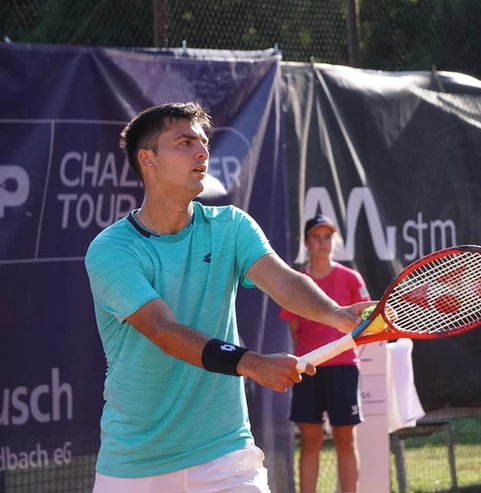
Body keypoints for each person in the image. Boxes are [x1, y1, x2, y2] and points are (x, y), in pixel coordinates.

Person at [84, 102, 372, 493]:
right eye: (184, 143)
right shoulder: (112, 249)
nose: (202, 152)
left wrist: (338, 315)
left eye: (203, 142)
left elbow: (283, 281)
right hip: (135, 466)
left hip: (226, 457)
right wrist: (251, 363)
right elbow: (163, 330)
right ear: (147, 159)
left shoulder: (231, 227)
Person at [279, 215, 369, 493]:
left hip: (344, 368)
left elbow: (364, 324)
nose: (322, 243)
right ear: (306, 243)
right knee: (310, 443)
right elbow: (296, 330)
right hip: (308, 367)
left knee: (346, 441)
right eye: (316, 238)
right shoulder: (298, 283)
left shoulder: (351, 278)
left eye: (327, 237)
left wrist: (340, 350)